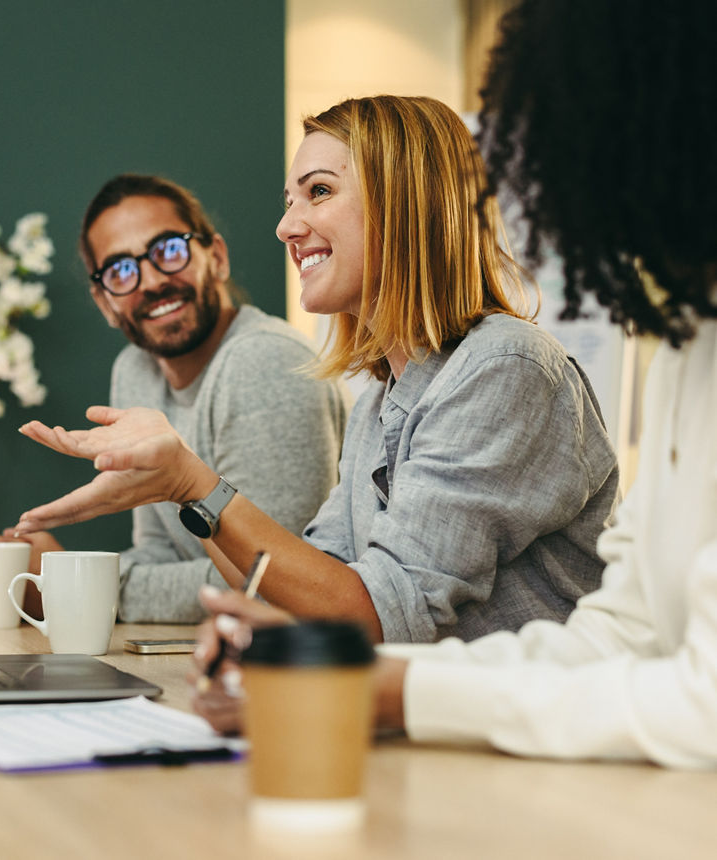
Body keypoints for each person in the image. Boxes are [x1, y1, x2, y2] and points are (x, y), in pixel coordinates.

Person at [194, 0, 717, 768]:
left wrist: (395, 690)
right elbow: (617, 637)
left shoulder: (506, 366)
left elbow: (700, 705)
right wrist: (361, 677)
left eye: (318, 192)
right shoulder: (687, 343)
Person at [14, 95, 618, 645]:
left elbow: (379, 615)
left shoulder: (504, 367)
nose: (285, 227)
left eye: (320, 192)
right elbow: (307, 587)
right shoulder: (382, 399)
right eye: (289, 201)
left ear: (403, 201)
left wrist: (190, 483)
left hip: (525, 748)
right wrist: (181, 493)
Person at [6, 175, 348, 622]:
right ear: (105, 302)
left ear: (218, 258)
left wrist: (70, 586)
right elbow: (159, 552)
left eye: (168, 249)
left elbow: (273, 588)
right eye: (121, 270)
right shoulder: (135, 371)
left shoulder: (265, 361)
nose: (149, 281)